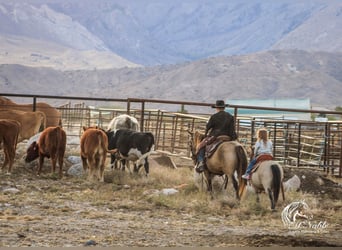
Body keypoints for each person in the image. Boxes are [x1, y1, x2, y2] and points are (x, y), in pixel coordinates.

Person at [195, 100, 237, 173]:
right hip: (228, 137)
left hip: (216, 136)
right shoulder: (230, 117)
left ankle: (201, 163)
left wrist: (206, 132)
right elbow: (232, 129)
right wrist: (233, 137)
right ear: (224, 108)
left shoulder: (214, 116)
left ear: (216, 108)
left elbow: (208, 127)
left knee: (200, 146)